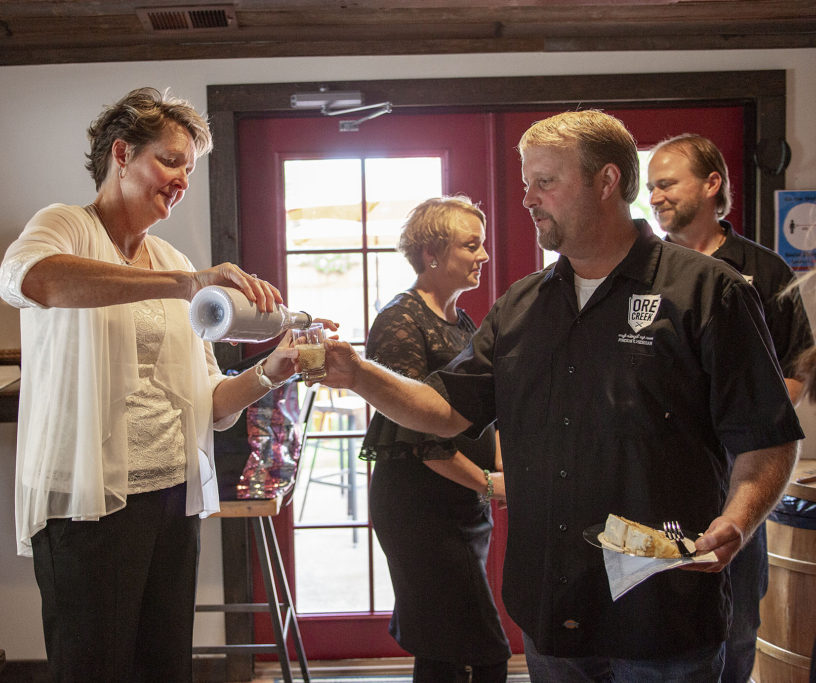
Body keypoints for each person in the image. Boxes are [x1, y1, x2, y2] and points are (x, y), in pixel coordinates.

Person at [314, 110, 802, 681]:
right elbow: (443, 413)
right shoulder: (521, 307)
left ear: (607, 181)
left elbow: (767, 438)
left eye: (545, 181)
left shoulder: (705, 290)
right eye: (526, 183)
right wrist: (358, 373)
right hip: (554, 608)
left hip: (662, 608)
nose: (527, 199)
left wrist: (739, 522)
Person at [0, 87, 308, 682]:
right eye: (169, 161)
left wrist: (271, 370)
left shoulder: (168, 254)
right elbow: (32, 281)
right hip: (88, 507)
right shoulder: (64, 226)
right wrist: (184, 283)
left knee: (165, 668)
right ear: (121, 153)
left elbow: (210, 401)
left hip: (170, 497)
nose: (181, 180)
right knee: (94, 669)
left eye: (189, 170)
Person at [647, 133, 813, 683]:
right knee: (652, 626)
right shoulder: (642, 270)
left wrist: (741, 429)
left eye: (667, 183)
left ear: (712, 183)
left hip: (739, 477)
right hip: (654, 477)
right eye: (650, 187)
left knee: (738, 624)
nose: (655, 197)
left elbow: (796, 369)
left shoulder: (764, 272)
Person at [360, 195, 510, 683]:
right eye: (472, 246)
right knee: (482, 652)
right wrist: (489, 483)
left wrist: (503, 477)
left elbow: (482, 414)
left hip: (463, 504)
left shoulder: (462, 321)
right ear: (431, 254)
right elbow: (417, 435)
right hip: (420, 510)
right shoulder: (399, 321)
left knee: (445, 648)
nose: (483, 256)